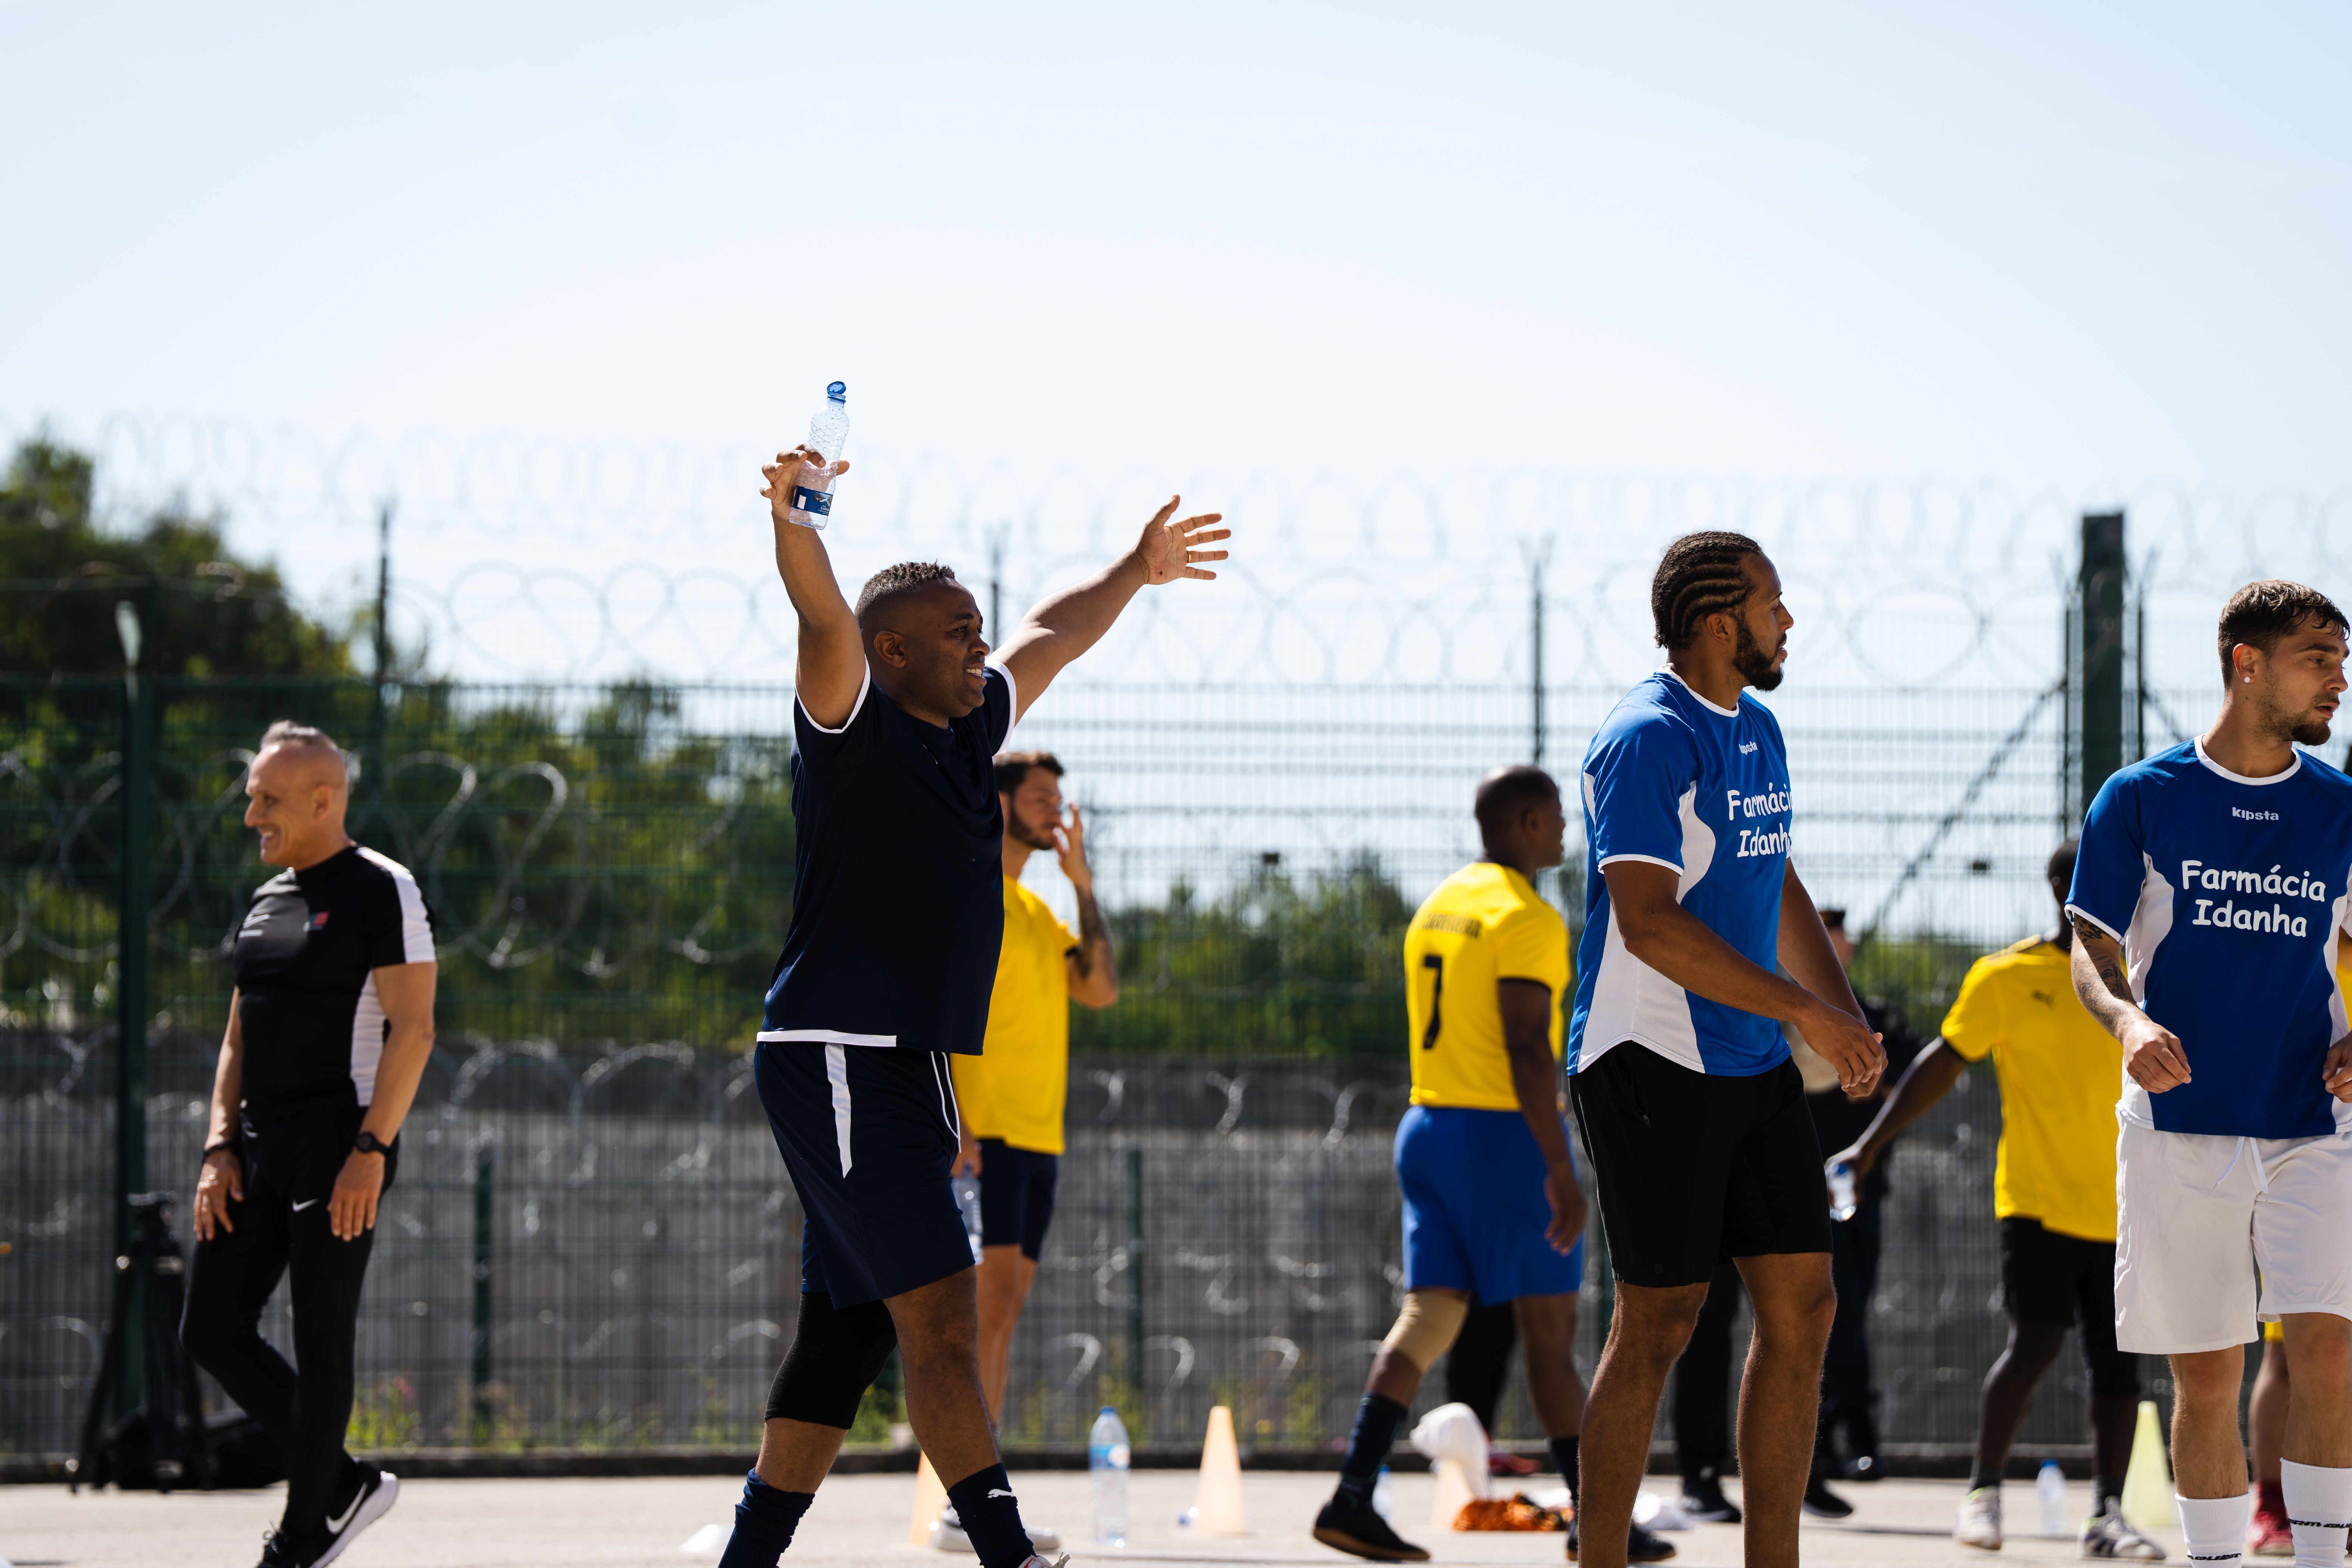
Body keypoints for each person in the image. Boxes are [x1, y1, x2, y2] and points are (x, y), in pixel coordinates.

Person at [717, 443, 1226, 1568]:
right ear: (891, 650)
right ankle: (1006, 1552)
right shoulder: (850, 723)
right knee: (942, 1315)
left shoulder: (969, 730)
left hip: (902, 1061)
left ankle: (746, 1559)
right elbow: (820, 616)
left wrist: (1135, 569)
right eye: (956, 633)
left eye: (975, 629)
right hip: (839, 1049)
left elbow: (1051, 632)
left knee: (847, 1331)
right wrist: (797, 524)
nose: (979, 646)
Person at [1566, 532, 1885, 1568]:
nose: (1787, 621)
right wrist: (1804, 1011)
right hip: (1647, 1055)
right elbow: (1648, 924)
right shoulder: (1645, 737)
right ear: (1717, 621)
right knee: (1660, 1319)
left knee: (1805, 1305)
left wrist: (1837, 1013)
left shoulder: (1759, 727)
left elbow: (1773, 873)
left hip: (1750, 1058)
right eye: (1770, 604)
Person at [1311, 767, 1674, 1563]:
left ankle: (1351, 1496)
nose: (1567, 829)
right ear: (1525, 823)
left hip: (1427, 1126)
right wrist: (1558, 1164)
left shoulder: (1439, 904)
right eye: (1555, 816)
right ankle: (1594, 1519)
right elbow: (1524, 1044)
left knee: (1430, 1316)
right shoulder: (1526, 916)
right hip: (1501, 1137)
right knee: (1549, 1334)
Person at [2066, 580, 2352, 1568]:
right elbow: (2090, 948)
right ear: (2247, 662)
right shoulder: (2141, 796)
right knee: (2206, 1376)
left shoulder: (2340, 808)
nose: (2338, 681)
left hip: (2315, 1121)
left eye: (2342, 661)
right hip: (2176, 1124)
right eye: (2318, 658)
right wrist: (2125, 1019)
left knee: (2326, 1349)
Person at [1828, 841, 2162, 1560]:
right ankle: (1982, 1492)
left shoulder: (2148, 978)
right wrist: (1869, 1145)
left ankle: (2107, 1514)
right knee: (2034, 1342)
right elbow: (1943, 1061)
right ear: (2062, 891)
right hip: (2036, 1202)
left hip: (2129, 1205)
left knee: (2118, 1365)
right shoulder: (2006, 977)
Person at [180, 723, 437, 1568]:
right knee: (211, 1327)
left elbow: (415, 1029)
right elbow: (237, 1039)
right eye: (252, 796)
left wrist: (371, 1147)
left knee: (321, 1335)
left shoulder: (382, 889)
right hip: (255, 1145)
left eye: (268, 799)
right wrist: (219, 1146)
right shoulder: (266, 901)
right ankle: (344, 1482)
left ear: (324, 801)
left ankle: (302, 1536)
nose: (251, 813)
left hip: (338, 1141)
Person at [950, 750, 1118, 1416]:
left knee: (1003, 1311)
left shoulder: (1037, 912)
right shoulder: (966, 896)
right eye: (1041, 796)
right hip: (982, 1137)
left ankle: (980, 1465)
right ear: (1000, 803)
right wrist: (955, 1125)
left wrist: (1083, 886)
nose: (1057, 810)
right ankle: (961, 1472)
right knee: (979, 1313)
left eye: (1058, 797)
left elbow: (1099, 989)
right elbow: (927, 1016)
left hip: (1038, 1139)